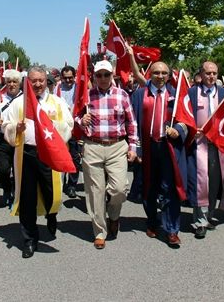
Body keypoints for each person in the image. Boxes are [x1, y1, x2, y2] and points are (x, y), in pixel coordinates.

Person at [1, 66, 74, 258]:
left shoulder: (57, 103)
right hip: (26, 154)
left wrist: (51, 125)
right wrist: (15, 128)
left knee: (51, 192)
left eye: (41, 80)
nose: (38, 84)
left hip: (49, 155)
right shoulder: (18, 104)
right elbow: (5, 125)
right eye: (33, 81)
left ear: (46, 80)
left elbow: (69, 126)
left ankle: (52, 214)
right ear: (28, 82)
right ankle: (29, 239)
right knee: (27, 198)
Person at [77, 60, 138, 249]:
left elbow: (132, 123)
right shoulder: (86, 96)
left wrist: (133, 147)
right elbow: (73, 117)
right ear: (94, 77)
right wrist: (81, 119)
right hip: (93, 146)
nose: (103, 79)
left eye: (106, 74)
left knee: (119, 189)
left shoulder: (122, 95)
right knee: (95, 192)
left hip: (117, 146)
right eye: (99, 75)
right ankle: (100, 232)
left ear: (112, 75)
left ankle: (114, 216)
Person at [131, 61, 189, 247]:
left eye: (164, 73)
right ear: (150, 74)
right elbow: (131, 122)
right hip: (147, 147)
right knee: (149, 186)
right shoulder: (140, 94)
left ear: (169, 75)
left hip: (169, 148)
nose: (161, 76)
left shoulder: (177, 94)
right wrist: (136, 148)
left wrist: (178, 129)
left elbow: (187, 118)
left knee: (170, 189)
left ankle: (172, 229)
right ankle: (152, 221)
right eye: (157, 72)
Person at [186, 61, 224, 238]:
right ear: (201, 74)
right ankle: (199, 221)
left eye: (214, 73)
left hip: (218, 145)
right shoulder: (191, 93)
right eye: (208, 73)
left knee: (214, 183)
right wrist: (191, 130)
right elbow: (185, 115)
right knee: (200, 182)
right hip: (199, 145)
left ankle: (209, 214)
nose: (211, 76)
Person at [0, 69, 22, 208]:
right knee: (4, 169)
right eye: (9, 82)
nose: (12, 84)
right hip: (2, 138)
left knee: (18, 169)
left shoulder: (25, 99)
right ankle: (6, 188)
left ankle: (16, 194)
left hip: (20, 138)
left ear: (19, 83)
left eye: (15, 82)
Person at [58, 65, 82, 198]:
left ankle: (72, 185)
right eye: (65, 78)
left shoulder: (80, 89)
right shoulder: (57, 89)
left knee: (74, 158)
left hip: (74, 128)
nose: (68, 81)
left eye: (70, 78)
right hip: (60, 129)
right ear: (62, 78)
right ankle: (61, 182)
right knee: (61, 157)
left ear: (74, 77)